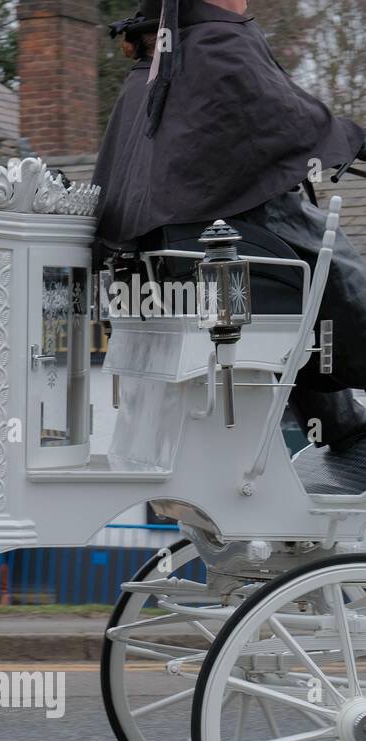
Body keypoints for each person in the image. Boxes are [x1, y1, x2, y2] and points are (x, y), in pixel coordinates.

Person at [94, 0, 366, 452]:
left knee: (297, 298)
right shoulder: (219, 41)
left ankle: (340, 424)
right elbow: (285, 116)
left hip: (180, 243)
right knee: (330, 272)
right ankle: (342, 424)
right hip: (237, 220)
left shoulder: (157, 62)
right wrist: (349, 137)